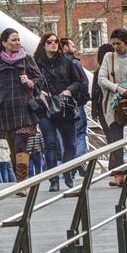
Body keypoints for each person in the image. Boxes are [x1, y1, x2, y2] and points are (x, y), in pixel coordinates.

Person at [0, 28, 41, 197]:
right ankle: (20, 182)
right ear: (4, 43)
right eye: (13, 40)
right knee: (13, 148)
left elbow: (40, 79)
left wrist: (30, 82)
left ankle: (23, 184)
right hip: (5, 110)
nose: (17, 43)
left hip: (23, 108)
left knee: (20, 144)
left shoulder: (26, 59)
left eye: (18, 40)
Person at [34, 33, 85, 191]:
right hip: (46, 109)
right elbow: (31, 84)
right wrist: (39, 91)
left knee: (70, 144)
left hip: (65, 107)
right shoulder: (36, 64)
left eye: (56, 41)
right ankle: (53, 180)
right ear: (44, 44)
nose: (53, 44)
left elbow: (79, 82)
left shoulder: (67, 62)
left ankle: (68, 172)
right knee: (50, 144)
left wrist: (69, 90)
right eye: (49, 42)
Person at [97, 28, 127, 187]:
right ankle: (118, 173)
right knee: (116, 140)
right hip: (115, 103)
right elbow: (101, 79)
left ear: (126, 42)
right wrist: (117, 88)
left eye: (118, 43)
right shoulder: (109, 57)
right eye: (113, 44)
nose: (115, 47)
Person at [61, 37, 92, 177]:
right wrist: (83, 99)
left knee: (67, 135)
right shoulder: (74, 62)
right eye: (72, 45)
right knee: (80, 133)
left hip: (62, 104)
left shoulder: (57, 64)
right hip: (76, 103)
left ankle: (70, 165)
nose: (75, 48)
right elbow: (83, 82)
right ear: (65, 48)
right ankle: (80, 160)